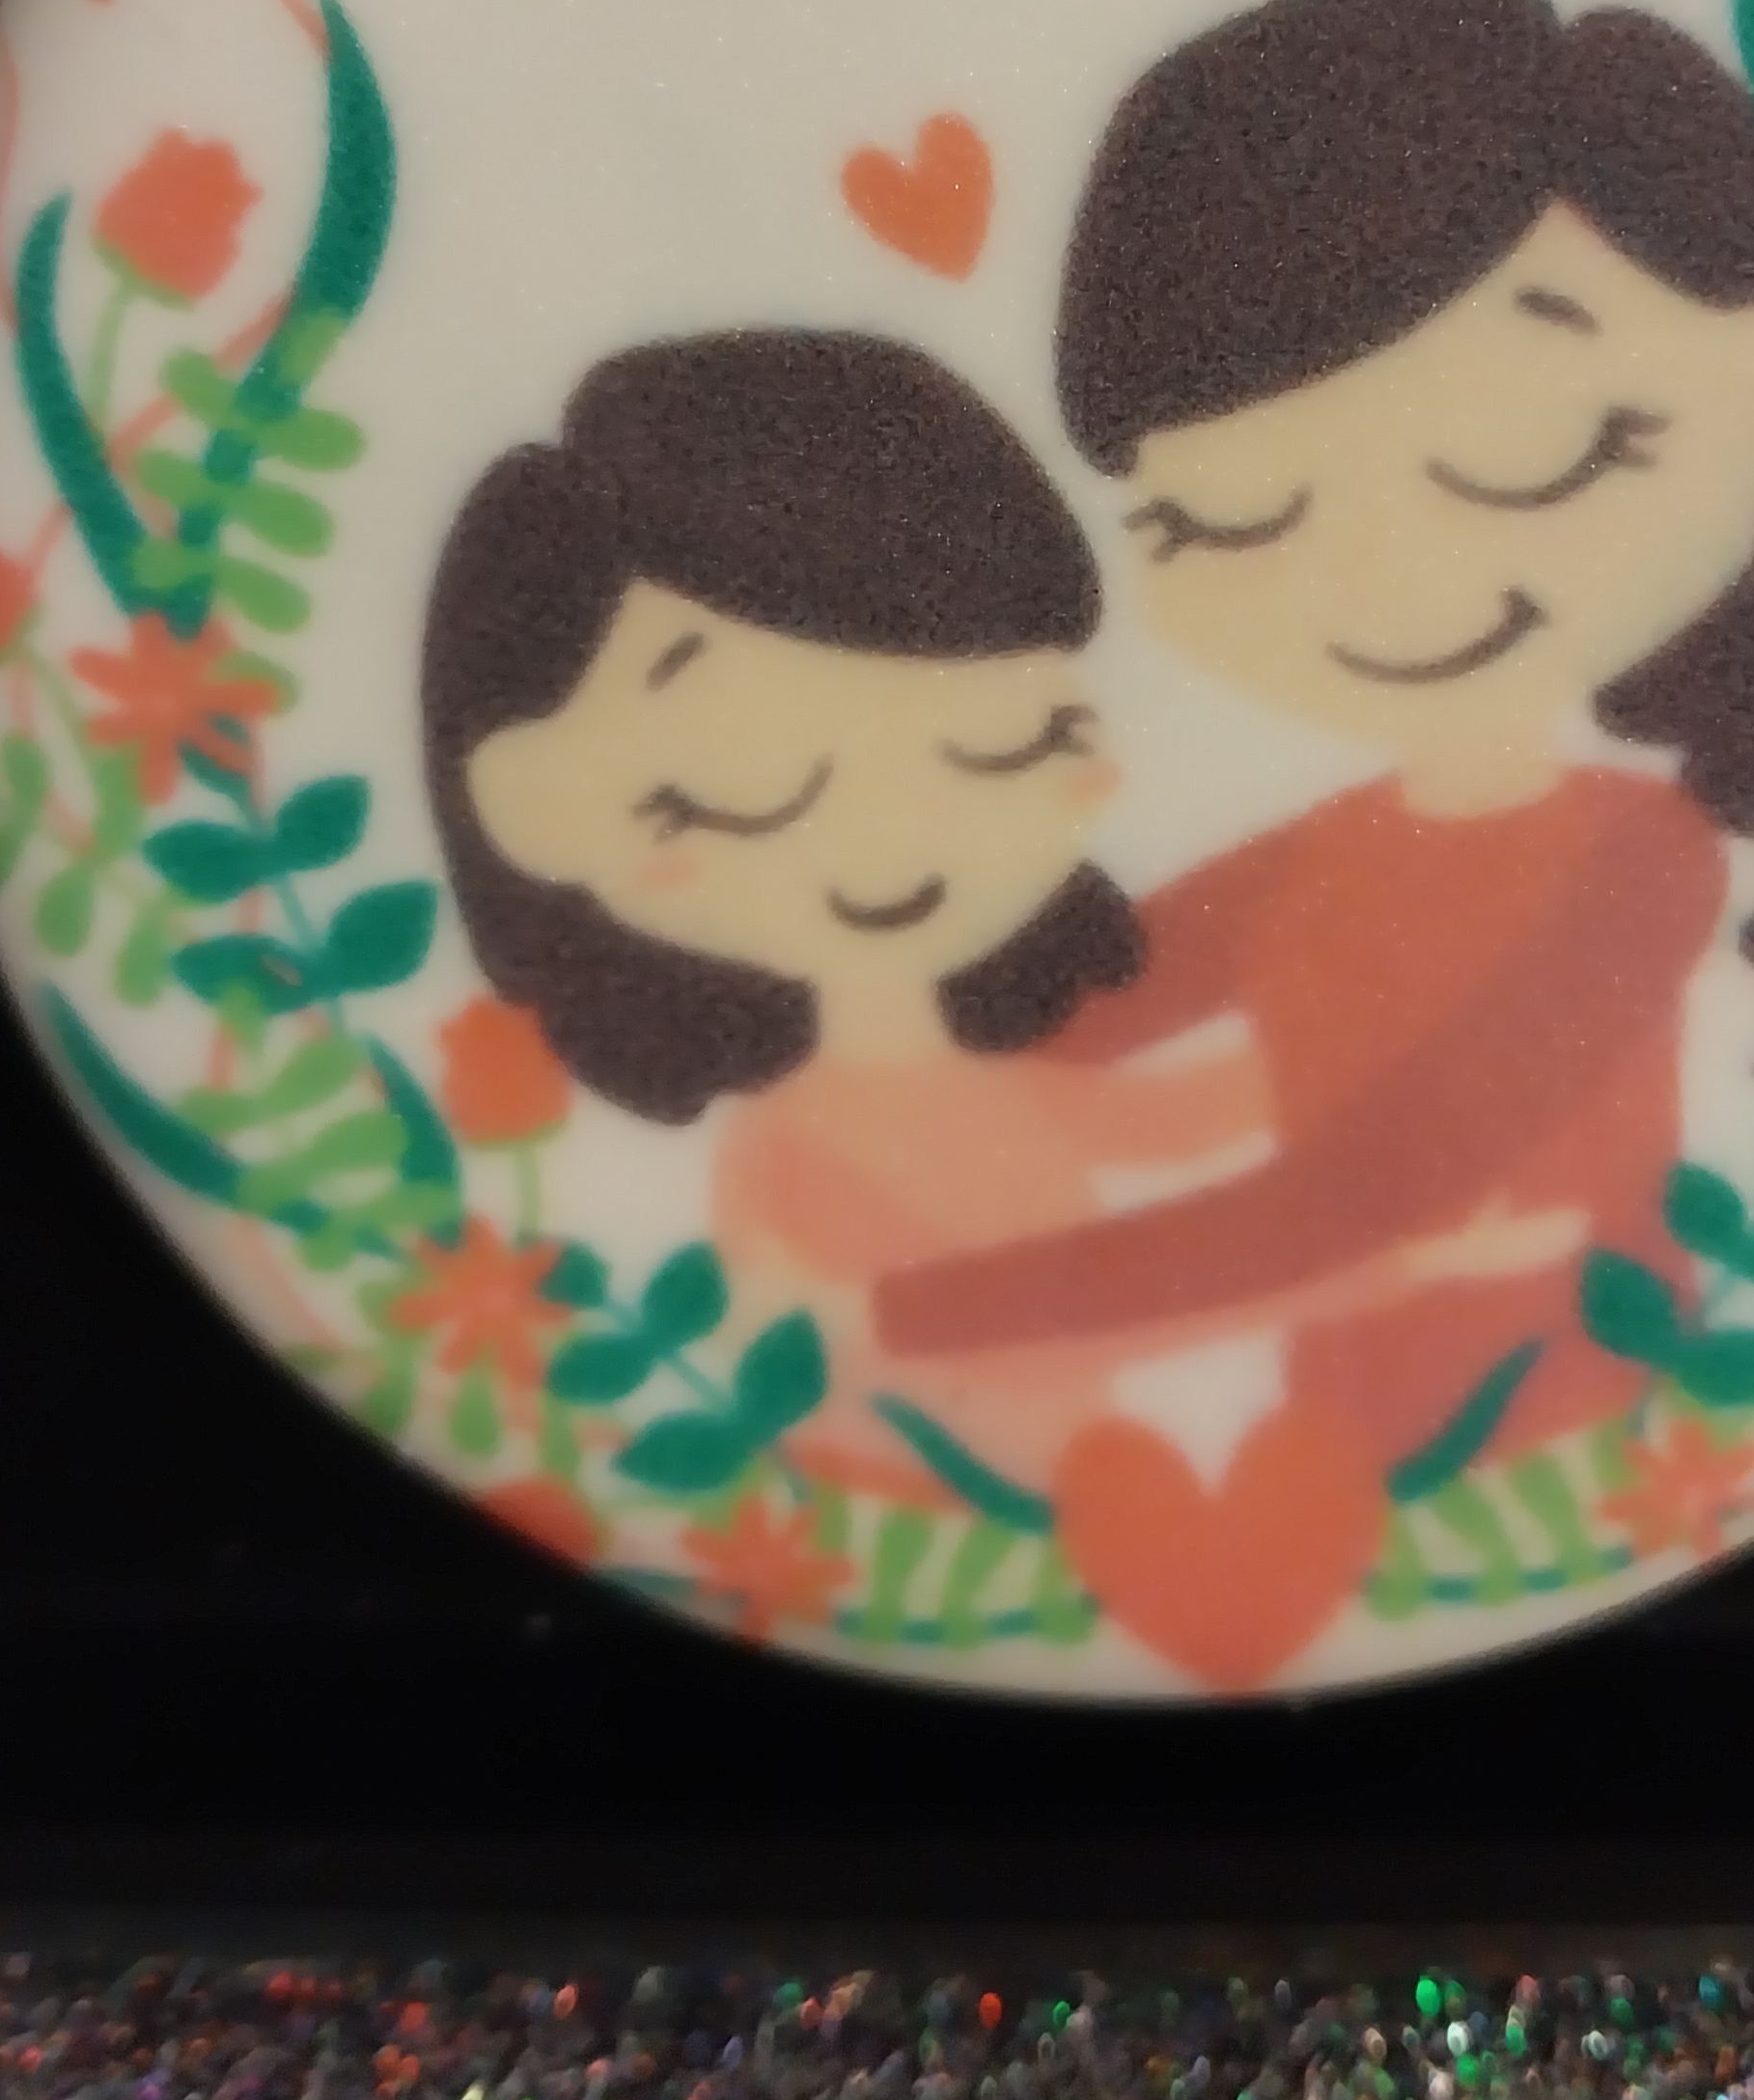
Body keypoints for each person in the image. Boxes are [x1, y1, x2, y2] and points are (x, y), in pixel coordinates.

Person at [872, 0, 1754, 1474]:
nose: (1383, 580)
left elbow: (1364, 1192)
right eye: (1238, 520)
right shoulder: (1322, 853)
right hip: (1333, 1431)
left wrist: (925, 1312)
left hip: (1590, 1441)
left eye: (1526, 460)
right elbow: (1068, 1020)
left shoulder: (1638, 863)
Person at [421, 328, 1276, 1501]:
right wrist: (1374, 1266)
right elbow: (955, 1316)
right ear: (542, 810)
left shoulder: (1000, 1088)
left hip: (1071, 1482)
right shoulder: (790, 1153)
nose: (889, 837)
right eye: (756, 794)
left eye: (994, 751)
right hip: (890, 1499)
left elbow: (1173, 1119)